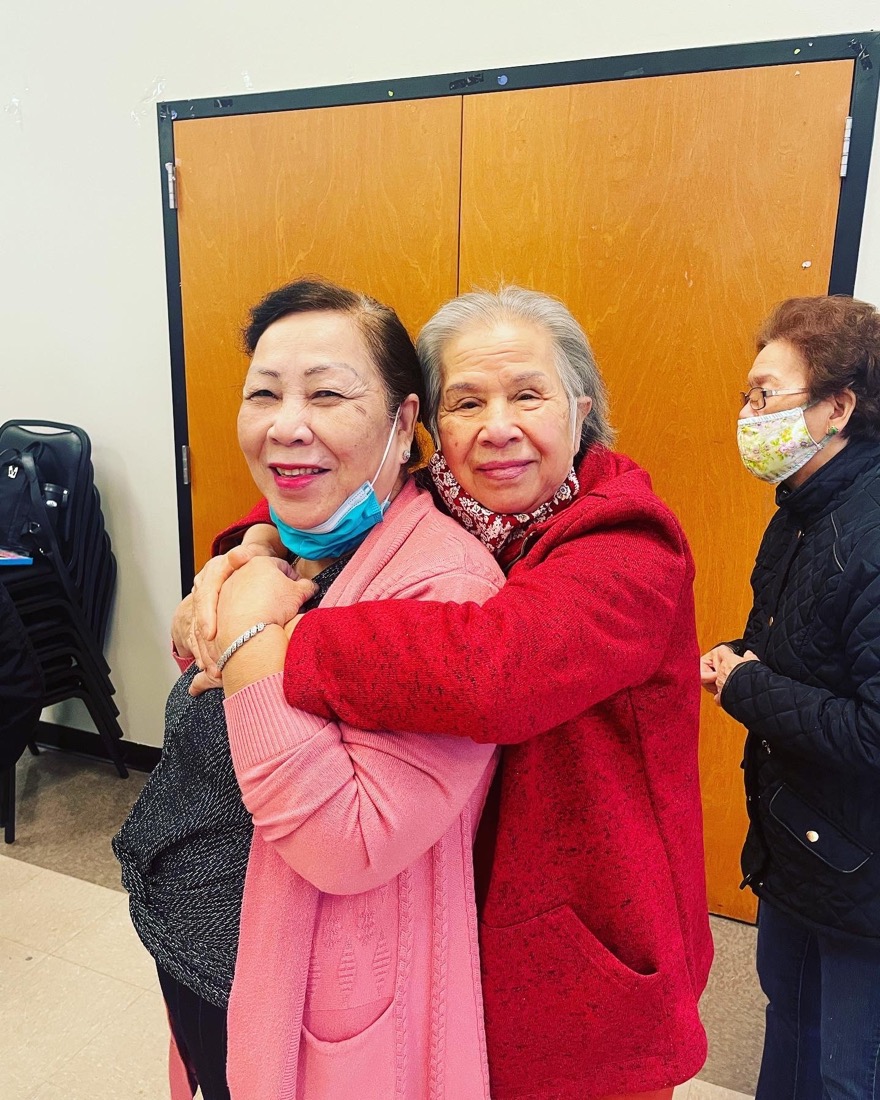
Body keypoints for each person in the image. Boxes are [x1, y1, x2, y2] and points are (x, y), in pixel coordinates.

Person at [192, 286, 713, 1100]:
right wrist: (252, 546)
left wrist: (270, 643)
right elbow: (325, 500)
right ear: (426, 426)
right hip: (461, 916)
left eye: (527, 396)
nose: (497, 426)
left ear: (582, 410)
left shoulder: (628, 539)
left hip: (587, 933)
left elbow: (492, 671)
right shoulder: (453, 500)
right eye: (466, 401)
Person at [114, 277, 504, 1099]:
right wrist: (240, 568)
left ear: (405, 423)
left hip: (296, 990)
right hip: (194, 945)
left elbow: (351, 840)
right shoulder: (291, 544)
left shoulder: (447, 587)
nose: (286, 424)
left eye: (328, 393)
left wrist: (253, 633)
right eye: (264, 392)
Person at [700, 295, 880, 1100]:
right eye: (748, 395)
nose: (749, 414)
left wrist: (745, 684)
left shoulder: (870, 532)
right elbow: (800, 651)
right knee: (791, 1027)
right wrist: (747, 660)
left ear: (837, 406)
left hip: (864, 870)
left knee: (849, 1070)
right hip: (800, 843)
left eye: (765, 395)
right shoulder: (803, 511)